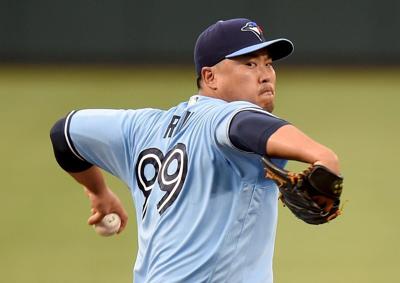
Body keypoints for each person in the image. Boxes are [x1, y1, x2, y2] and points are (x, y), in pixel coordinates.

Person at [50, 18, 340, 283]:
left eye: (268, 63)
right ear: (210, 77)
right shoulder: (228, 116)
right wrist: (324, 157)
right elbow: (245, 126)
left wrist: (99, 193)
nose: (265, 75)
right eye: (249, 64)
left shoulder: (140, 127)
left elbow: (63, 134)